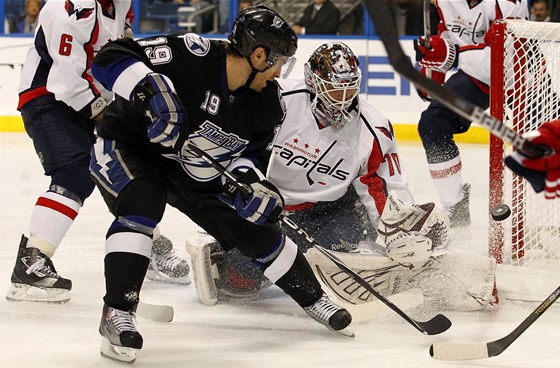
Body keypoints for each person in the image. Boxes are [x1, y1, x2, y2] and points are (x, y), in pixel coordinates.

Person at [89, 5, 352, 363]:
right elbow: (108, 57)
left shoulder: (267, 105)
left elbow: (250, 160)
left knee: (254, 226)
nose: (279, 73)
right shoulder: (192, 54)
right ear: (259, 54)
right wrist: (150, 88)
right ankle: (117, 313)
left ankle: (313, 297)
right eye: (278, 62)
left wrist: (254, 188)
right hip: (129, 144)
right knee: (143, 201)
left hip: (192, 168)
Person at [184, 42, 483, 310]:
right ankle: (232, 255)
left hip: (334, 211)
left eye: (350, 88)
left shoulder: (373, 128)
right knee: (238, 281)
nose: (343, 98)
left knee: (338, 261)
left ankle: (404, 271)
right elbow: (240, 146)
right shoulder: (280, 99)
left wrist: (399, 228)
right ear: (314, 82)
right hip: (270, 205)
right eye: (335, 88)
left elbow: (382, 190)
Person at [6, 0, 189, 305]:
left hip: (92, 100)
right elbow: (66, 83)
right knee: (75, 173)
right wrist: (113, 117)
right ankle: (30, 261)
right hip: (49, 100)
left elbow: (122, 45)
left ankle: (145, 246)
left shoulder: (120, 3)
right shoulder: (65, 9)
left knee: (128, 170)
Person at [413, 0, 529, 229]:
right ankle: (455, 206)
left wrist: (452, 55)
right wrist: (433, 62)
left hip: (522, 76)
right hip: (477, 78)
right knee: (433, 124)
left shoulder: (507, 2)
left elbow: (506, 57)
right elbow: (448, 31)